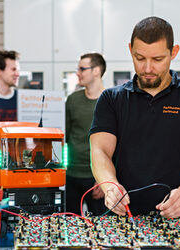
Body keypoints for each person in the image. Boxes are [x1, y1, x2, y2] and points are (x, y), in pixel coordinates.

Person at [89, 16, 180, 218]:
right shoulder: (111, 99)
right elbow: (100, 151)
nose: (148, 68)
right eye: (139, 58)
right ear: (130, 49)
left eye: (157, 59)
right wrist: (110, 186)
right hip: (123, 216)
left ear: (173, 52)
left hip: (178, 216)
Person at [65, 53, 106, 215]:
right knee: (70, 226)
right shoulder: (73, 100)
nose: (78, 73)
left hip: (98, 178)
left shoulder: (111, 100)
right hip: (72, 175)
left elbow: (120, 144)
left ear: (96, 71)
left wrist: (106, 179)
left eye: (82, 69)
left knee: (102, 228)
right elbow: (65, 137)